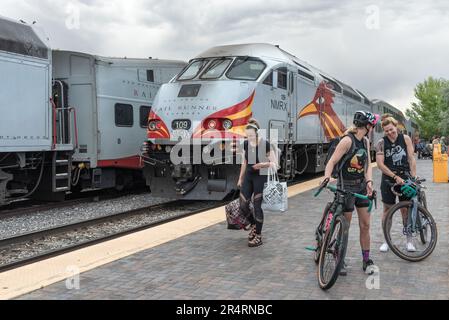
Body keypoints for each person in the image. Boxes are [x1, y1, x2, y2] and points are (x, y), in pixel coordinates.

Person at [322, 111, 380, 275]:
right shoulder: (347, 140)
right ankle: (339, 257)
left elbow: (368, 165)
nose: (372, 129)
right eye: (372, 126)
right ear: (368, 126)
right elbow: (332, 161)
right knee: (344, 227)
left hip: (361, 187)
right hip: (345, 187)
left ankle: (366, 260)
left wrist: (369, 182)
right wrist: (327, 177)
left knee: (365, 225)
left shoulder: (366, 142)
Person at [376, 115, 417, 253]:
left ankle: (409, 240)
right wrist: (394, 176)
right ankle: (386, 240)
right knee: (387, 210)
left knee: (405, 209)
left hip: (405, 177)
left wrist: (413, 176)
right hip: (388, 179)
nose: (389, 133)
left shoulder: (405, 139)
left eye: (391, 129)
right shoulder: (381, 142)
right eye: (386, 130)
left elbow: (411, 159)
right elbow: (380, 164)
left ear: (396, 126)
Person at [237, 119, 277, 247]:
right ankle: (254, 225)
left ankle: (258, 236)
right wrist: (240, 178)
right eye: (247, 136)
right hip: (249, 176)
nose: (249, 138)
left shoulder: (265, 144)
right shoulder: (245, 144)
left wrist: (263, 164)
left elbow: (275, 164)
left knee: (257, 206)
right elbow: (244, 162)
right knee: (243, 205)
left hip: (261, 177)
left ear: (257, 133)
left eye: (251, 136)